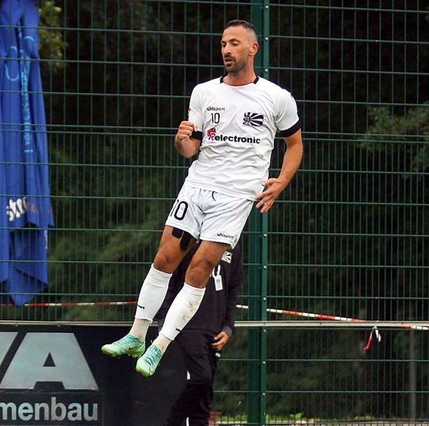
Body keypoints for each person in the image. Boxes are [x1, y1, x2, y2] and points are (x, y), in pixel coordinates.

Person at [101, 19, 303, 377]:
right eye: (223, 43)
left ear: (253, 49)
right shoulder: (204, 92)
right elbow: (189, 148)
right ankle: (136, 335)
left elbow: (294, 145)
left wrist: (282, 181)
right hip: (197, 184)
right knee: (164, 257)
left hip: (237, 195)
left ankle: (159, 346)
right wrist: (182, 140)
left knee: (199, 269)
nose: (226, 50)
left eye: (235, 43)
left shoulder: (276, 98)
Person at [158, 241, 242, 426]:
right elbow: (168, 279)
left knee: (204, 399)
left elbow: (233, 288)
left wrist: (228, 327)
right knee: (202, 377)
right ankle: (172, 422)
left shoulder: (232, 243)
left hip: (215, 329)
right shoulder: (188, 237)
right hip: (187, 324)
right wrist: (164, 319)